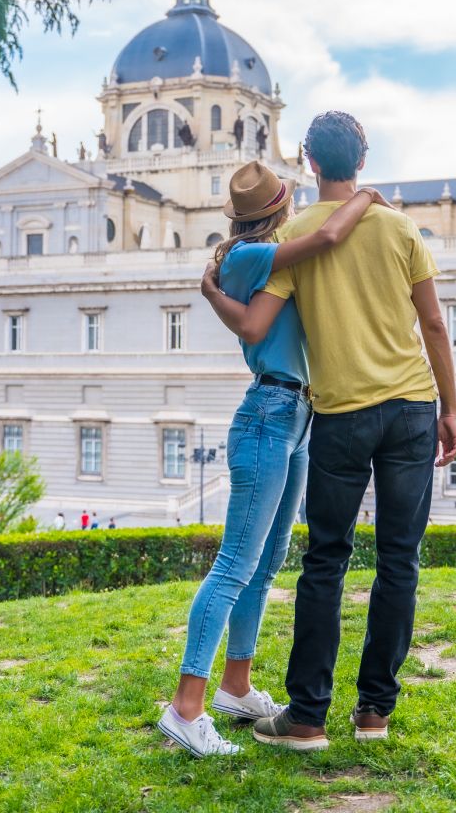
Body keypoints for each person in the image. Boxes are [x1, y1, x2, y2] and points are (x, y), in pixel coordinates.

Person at [202, 111, 456, 750]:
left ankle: (308, 716)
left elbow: (259, 323)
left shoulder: (294, 236)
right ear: (362, 160)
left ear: (309, 163)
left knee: (326, 560)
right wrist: (450, 409)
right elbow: (433, 325)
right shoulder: (401, 229)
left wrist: (211, 290)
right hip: (410, 409)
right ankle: (375, 712)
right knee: (400, 559)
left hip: (341, 413)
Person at [158, 159, 391, 759]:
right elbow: (330, 237)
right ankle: (187, 709)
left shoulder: (249, 257)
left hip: (296, 414)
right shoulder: (250, 257)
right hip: (269, 413)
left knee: (265, 564)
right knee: (235, 564)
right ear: (279, 210)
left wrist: (210, 295)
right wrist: (365, 196)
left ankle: (236, 686)